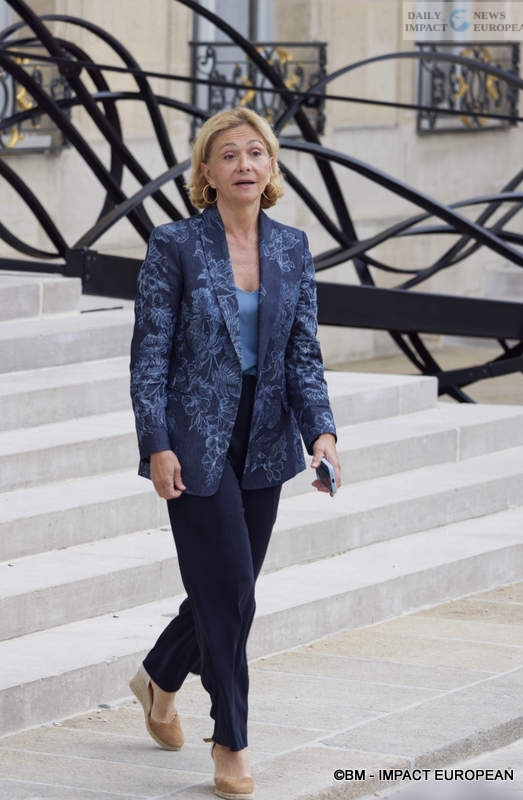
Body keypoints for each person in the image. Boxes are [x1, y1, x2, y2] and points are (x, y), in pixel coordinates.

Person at [129, 106, 341, 800]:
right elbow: (150, 356)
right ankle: (232, 740)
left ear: (272, 167)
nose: (244, 165)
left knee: (230, 587)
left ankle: (160, 676)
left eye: (256, 153)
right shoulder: (175, 246)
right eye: (229, 155)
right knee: (231, 590)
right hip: (194, 439)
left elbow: (304, 353)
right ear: (207, 174)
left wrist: (323, 433)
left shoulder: (293, 247)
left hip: (266, 438)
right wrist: (156, 443)